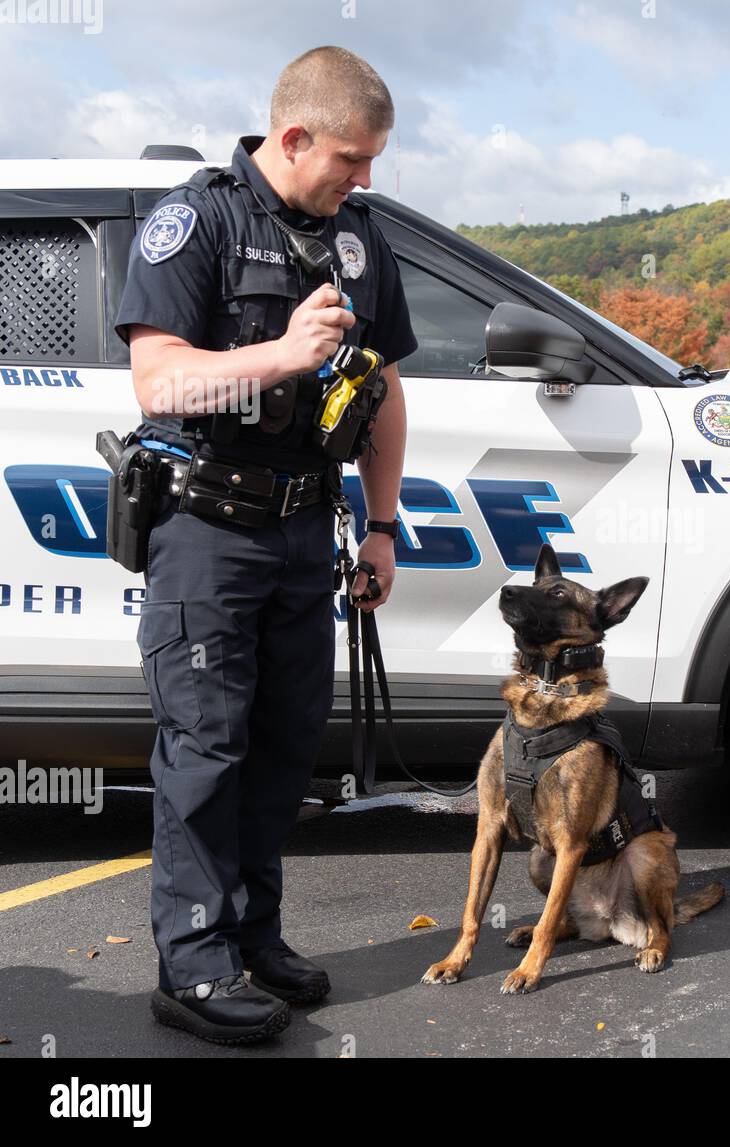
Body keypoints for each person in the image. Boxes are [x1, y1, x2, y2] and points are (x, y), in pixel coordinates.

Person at [114, 46, 417, 1045]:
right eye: (350, 158)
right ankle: (192, 967)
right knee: (205, 750)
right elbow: (160, 383)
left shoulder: (360, 241)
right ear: (291, 138)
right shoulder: (194, 220)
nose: (363, 178)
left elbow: (383, 389)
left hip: (303, 527)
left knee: (285, 746)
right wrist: (284, 353)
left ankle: (253, 935)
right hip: (207, 532)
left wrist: (378, 526)